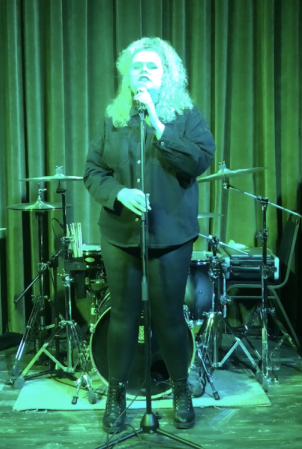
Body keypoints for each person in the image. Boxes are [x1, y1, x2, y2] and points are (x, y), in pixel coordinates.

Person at [84, 37, 215, 432]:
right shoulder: (113, 117)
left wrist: (158, 124)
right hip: (119, 233)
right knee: (123, 316)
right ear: (127, 74)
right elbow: (93, 171)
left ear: (167, 75)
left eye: (152, 66)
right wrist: (118, 193)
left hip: (171, 234)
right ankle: (116, 394)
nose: (143, 71)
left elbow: (200, 160)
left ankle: (180, 390)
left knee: (169, 315)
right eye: (137, 66)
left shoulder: (186, 116)